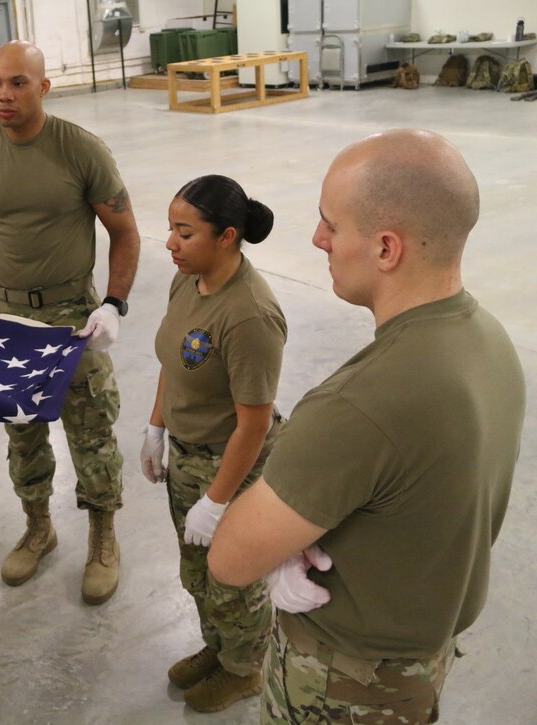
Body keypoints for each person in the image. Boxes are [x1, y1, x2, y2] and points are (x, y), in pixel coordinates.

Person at [209, 129, 526, 724]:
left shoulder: (359, 405)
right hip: (423, 655)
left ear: (386, 249)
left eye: (332, 224)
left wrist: (279, 550)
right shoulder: (489, 341)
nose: (317, 238)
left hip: (344, 680)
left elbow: (229, 559)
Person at [0, 40, 141, 605]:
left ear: (43, 87)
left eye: (18, 83)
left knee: (90, 431)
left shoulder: (81, 151)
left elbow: (125, 231)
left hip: (71, 314)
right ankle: (39, 525)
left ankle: (103, 537)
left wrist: (113, 303)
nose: (3, 95)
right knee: (22, 432)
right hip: (4, 311)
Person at [141, 176, 284, 713]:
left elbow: (255, 425)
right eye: (170, 229)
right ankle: (221, 648)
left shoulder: (249, 316)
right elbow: (173, 360)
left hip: (233, 463)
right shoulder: (189, 278)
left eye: (185, 232)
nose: (171, 244)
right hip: (188, 454)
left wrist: (218, 498)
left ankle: (246, 668)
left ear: (227, 237)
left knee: (233, 577)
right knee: (197, 570)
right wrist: (156, 427)